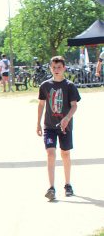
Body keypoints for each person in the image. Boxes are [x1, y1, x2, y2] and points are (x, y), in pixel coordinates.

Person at [37, 55, 81, 200]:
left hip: (65, 126)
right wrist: (38, 123)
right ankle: (51, 187)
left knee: (65, 154)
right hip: (49, 125)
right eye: (54, 67)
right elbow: (42, 104)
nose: (56, 70)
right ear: (51, 68)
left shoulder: (69, 86)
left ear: (64, 69)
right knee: (50, 154)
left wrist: (67, 118)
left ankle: (67, 184)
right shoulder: (45, 86)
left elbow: (74, 106)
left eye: (59, 67)